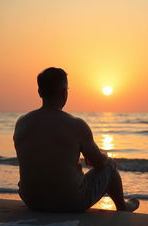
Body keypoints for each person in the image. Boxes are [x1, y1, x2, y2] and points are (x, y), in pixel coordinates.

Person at [13, 67, 139, 212]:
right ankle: (122, 206)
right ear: (64, 93)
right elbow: (100, 164)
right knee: (109, 165)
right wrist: (101, 155)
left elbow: (45, 156)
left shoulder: (21, 122)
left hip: (32, 201)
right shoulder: (76, 125)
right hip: (69, 203)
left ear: (40, 92)